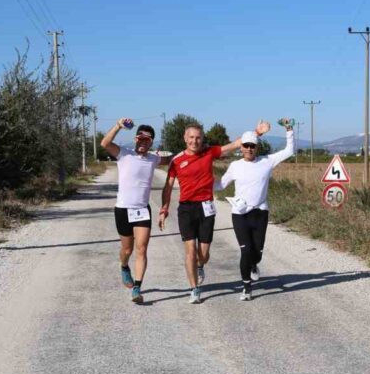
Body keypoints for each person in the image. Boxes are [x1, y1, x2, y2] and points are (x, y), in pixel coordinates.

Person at [159, 120, 270, 304]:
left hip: (206, 207)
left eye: (198, 138)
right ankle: (194, 289)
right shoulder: (176, 160)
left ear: (202, 139)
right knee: (190, 251)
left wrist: (257, 133)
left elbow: (235, 144)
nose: (194, 141)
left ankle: (200, 265)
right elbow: (168, 186)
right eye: (191, 137)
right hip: (186, 208)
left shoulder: (209, 152)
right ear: (185, 138)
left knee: (203, 255)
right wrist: (164, 208)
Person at [215, 119, 295, 300]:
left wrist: (289, 129)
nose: (249, 149)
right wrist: (201, 182)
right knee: (245, 250)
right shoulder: (235, 166)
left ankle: (254, 265)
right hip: (240, 214)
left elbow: (289, 151)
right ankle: (246, 287)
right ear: (241, 147)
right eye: (246, 146)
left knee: (257, 253)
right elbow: (220, 185)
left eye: (252, 146)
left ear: (257, 147)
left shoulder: (267, 161)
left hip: (260, 213)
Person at [100, 118, 170, 303]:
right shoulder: (124, 153)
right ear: (135, 139)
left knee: (142, 249)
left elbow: (174, 159)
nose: (143, 142)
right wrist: (118, 126)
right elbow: (105, 143)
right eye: (140, 138)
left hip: (142, 210)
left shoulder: (154, 159)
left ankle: (137, 288)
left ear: (151, 142)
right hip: (123, 209)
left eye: (147, 140)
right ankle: (124, 267)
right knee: (127, 249)